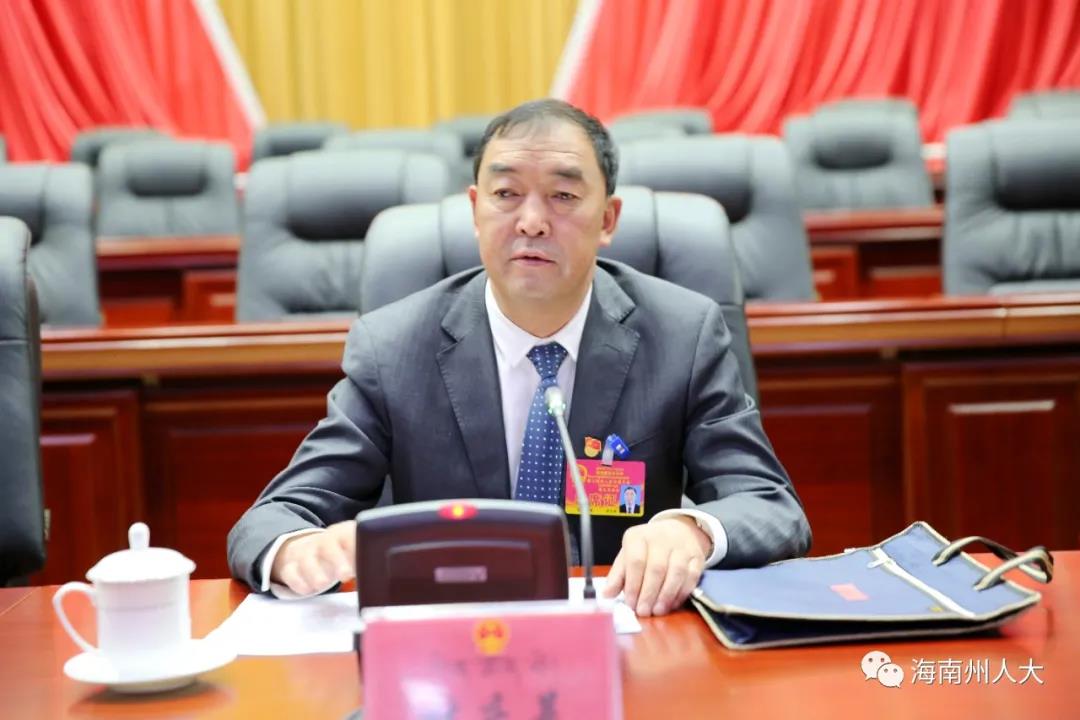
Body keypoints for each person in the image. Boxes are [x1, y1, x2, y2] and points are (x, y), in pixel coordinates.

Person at [227, 99, 811, 617]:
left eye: (563, 196)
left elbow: (770, 506)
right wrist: (296, 550)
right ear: (475, 209)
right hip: (451, 641)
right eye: (506, 195)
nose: (531, 222)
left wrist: (693, 530)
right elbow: (274, 518)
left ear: (608, 220)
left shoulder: (681, 334)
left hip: (627, 640)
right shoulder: (394, 346)